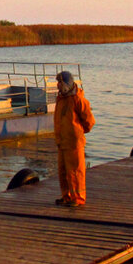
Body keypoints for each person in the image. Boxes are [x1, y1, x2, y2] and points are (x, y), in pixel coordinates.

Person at [53, 70, 94, 207]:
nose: (58, 85)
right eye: (58, 82)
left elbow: (89, 120)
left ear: (67, 84)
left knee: (76, 172)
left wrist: (79, 132)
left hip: (74, 142)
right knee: (63, 172)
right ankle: (67, 196)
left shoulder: (78, 99)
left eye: (60, 82)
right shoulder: (61, 99)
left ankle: (78, 198)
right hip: (62, 142)